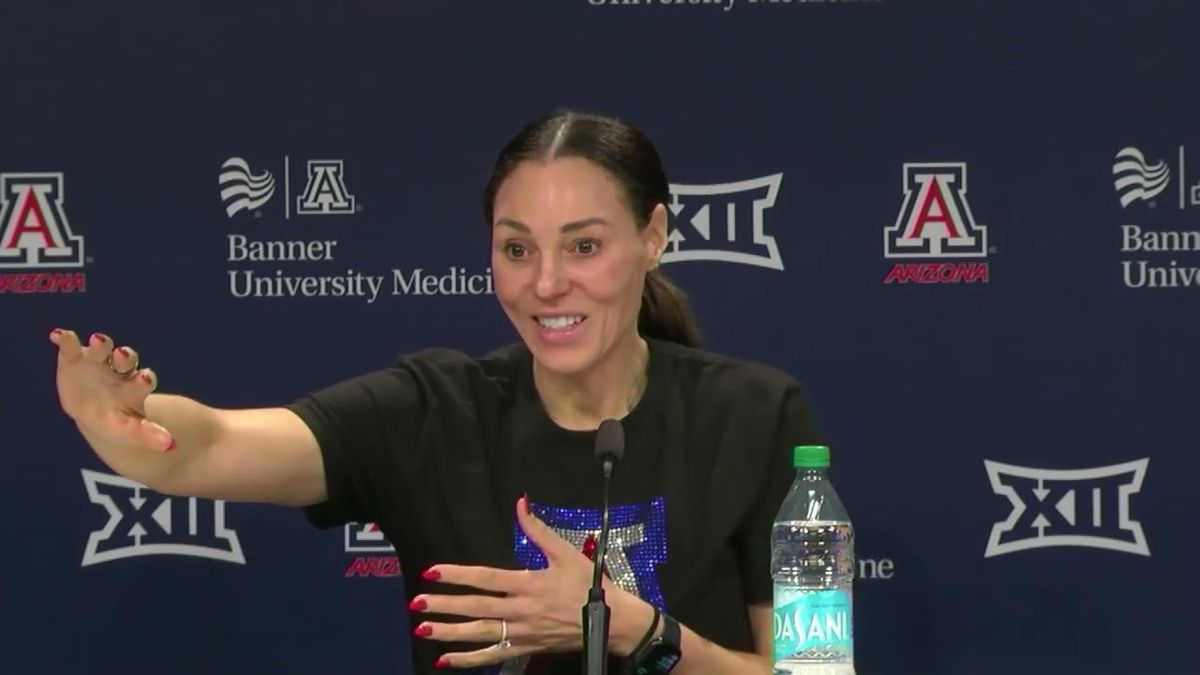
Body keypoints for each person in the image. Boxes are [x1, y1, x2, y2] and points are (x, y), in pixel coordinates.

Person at [48, 109, 824, 674]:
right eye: (516, 248)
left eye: (584, 245)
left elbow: (819, 671)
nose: (547, 282)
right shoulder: (433, 410)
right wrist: (123, 416)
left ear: (652, 236)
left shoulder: (759, 414)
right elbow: (211, 443)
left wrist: (642, 631)